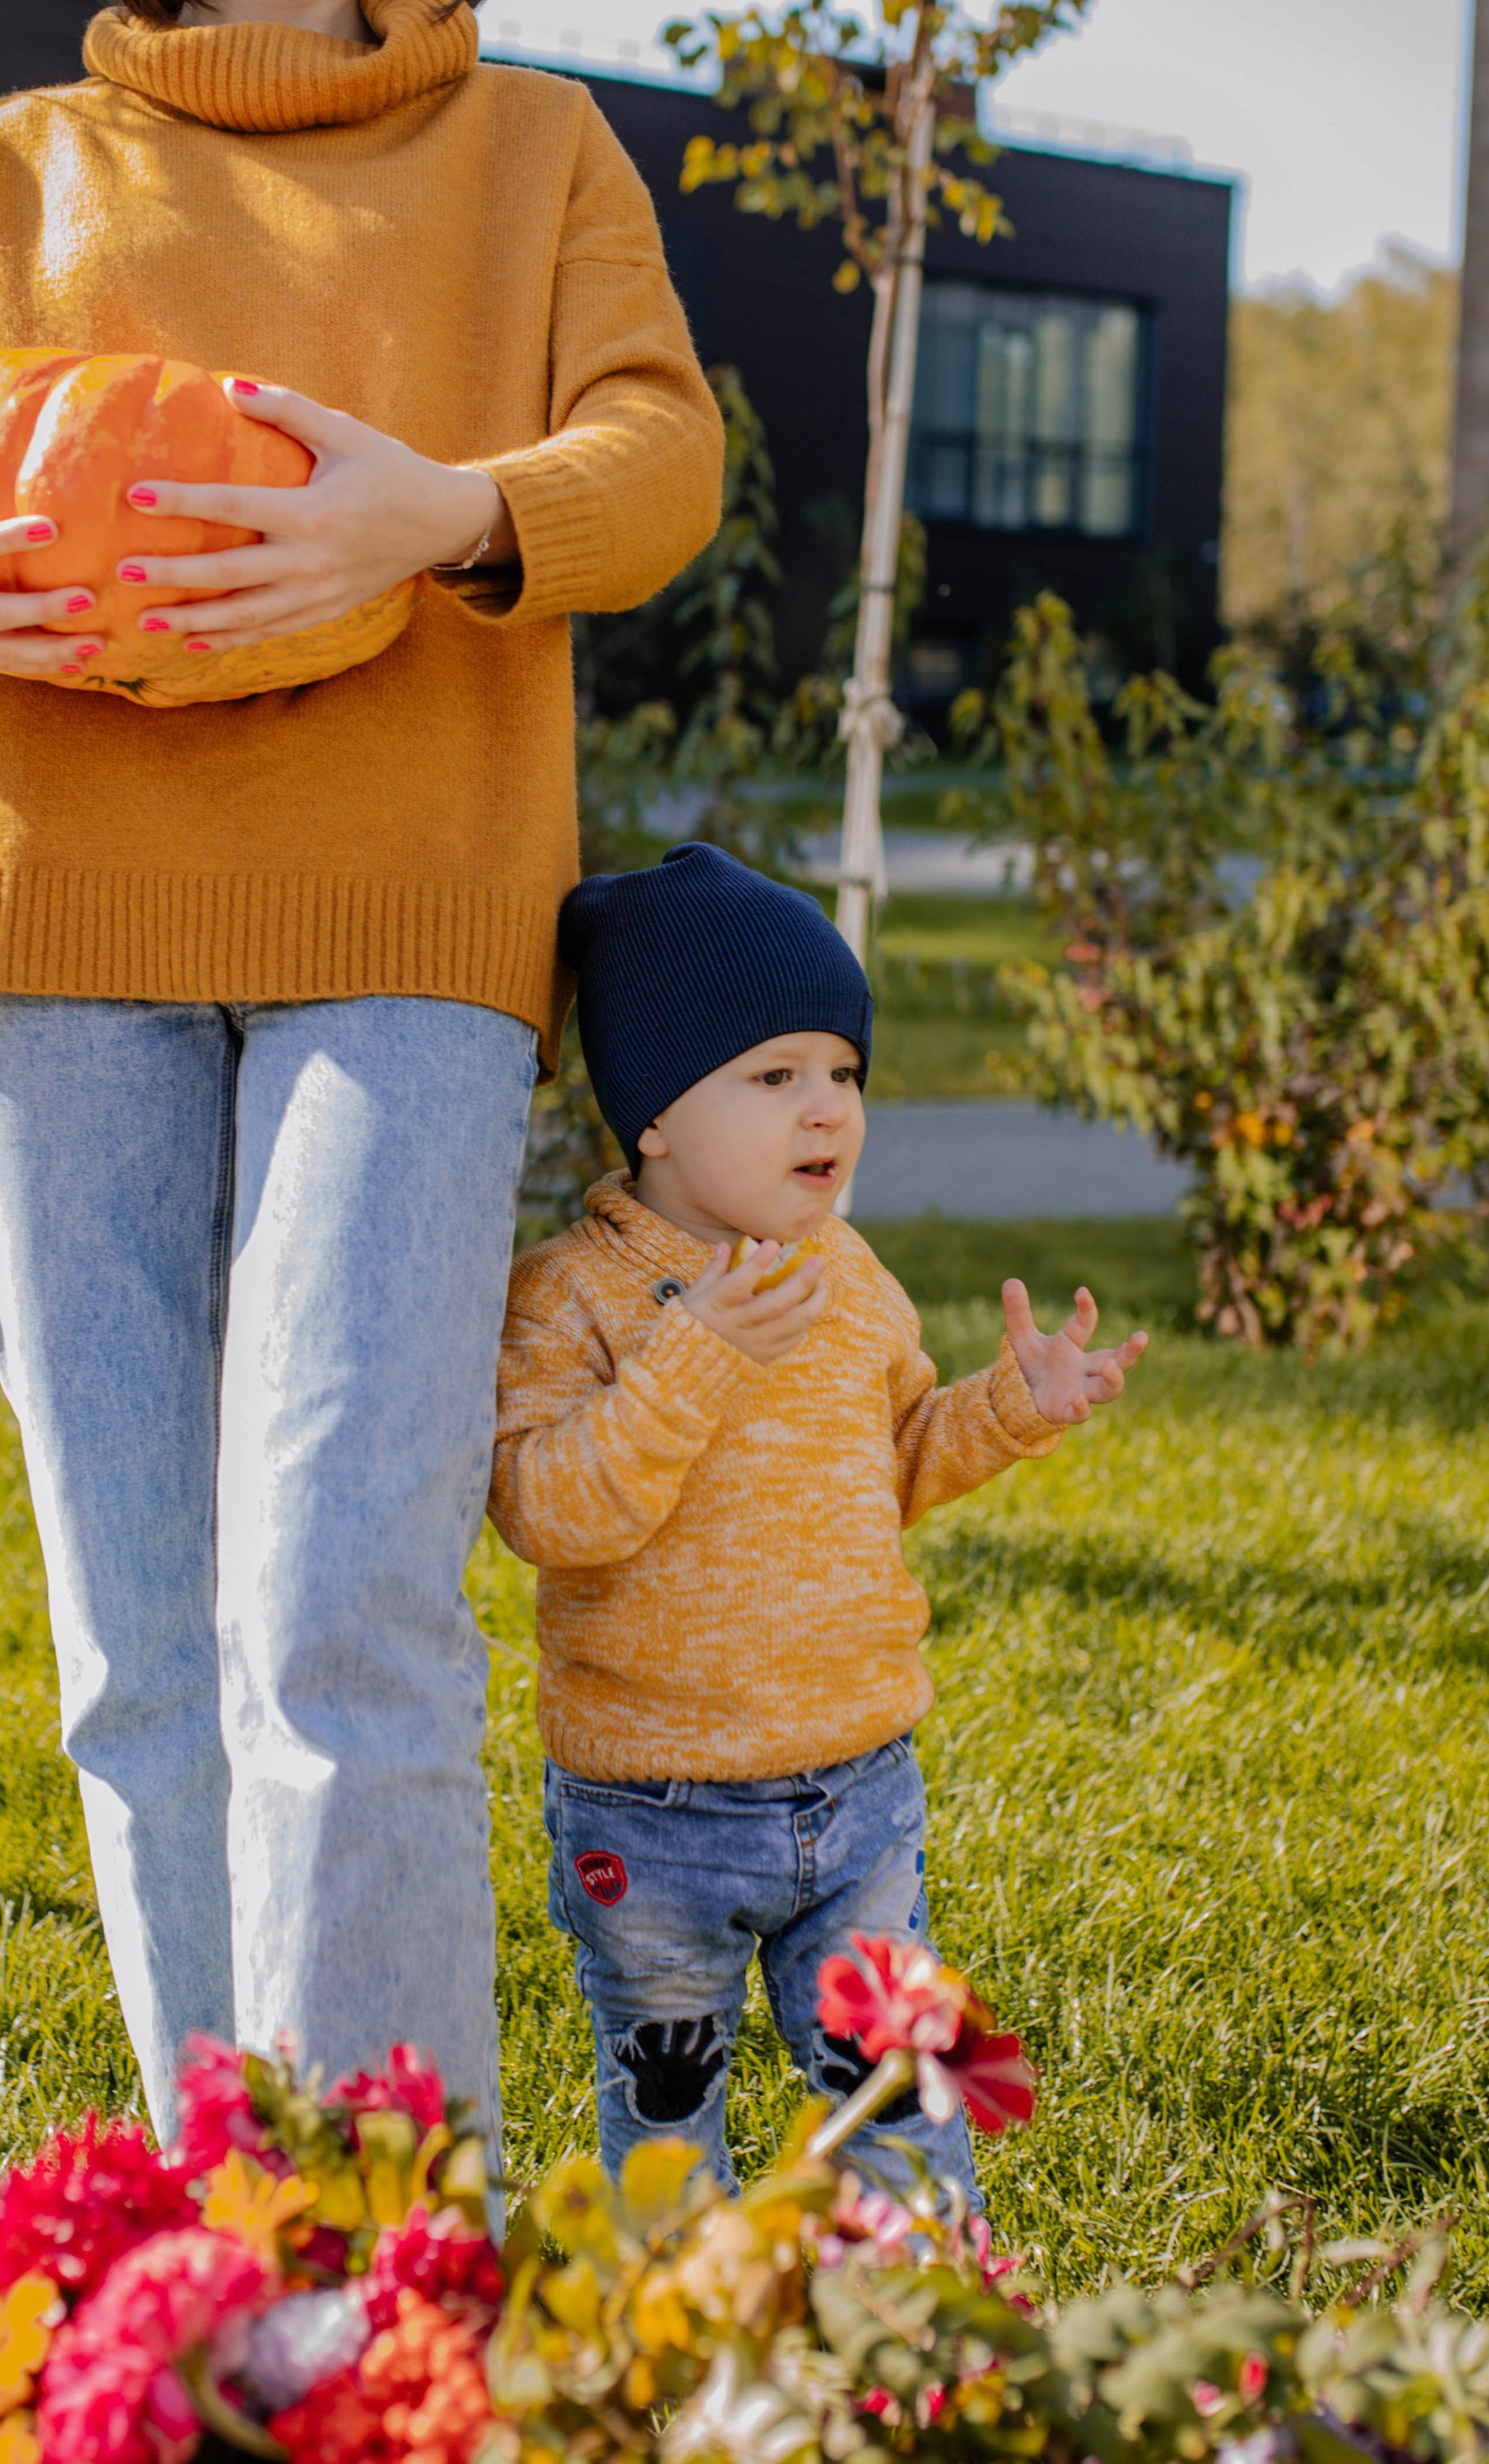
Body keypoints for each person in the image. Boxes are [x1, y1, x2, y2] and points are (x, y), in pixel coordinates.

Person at [0, 0, 723, 2153]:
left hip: (411, 915)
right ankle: (220, 2251)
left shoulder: (532, 151)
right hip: (56, 917)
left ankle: (409, 2257)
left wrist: (434, 509)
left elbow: (660, 460)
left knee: (343, 1614)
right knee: (145, 1649)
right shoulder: (16, 165)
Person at [490, 843, 1147, 2213]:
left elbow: (890, 1462)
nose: (827, 1109)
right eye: (775, 1076)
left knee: (903, 2087)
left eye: (843, 1073)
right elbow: (554, 1513)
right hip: (652, 1809)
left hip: (859, 1789)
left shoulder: (844, 1273)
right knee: (669, 2117)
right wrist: (698, 1358)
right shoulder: (573, 1298)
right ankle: (683, 2346)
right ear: (657, 1113)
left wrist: (1009, 1408)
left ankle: (937, 2344)